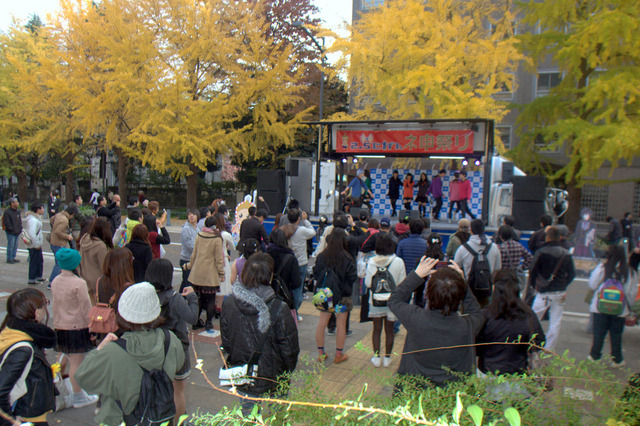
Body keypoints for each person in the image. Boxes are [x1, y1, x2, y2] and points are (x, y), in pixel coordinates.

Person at [75, 282, 184, 426]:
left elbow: (83, 377)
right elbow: (179, 364)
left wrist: (100, 349)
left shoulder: (113, 351)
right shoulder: (171, 340)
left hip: (119, 419)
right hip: (160, 418)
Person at [220, 253, 299, 415]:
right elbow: (290, 350)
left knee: (248, 415)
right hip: (274, 377)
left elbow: (227, 342)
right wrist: (286, 373)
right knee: (277, 417)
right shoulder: (279, 308)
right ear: (270, 277)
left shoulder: (229, 303)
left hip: (244, 374)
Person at [389, 257, 484, 387]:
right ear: (460, 296)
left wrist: (417, 275)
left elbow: (394, 300)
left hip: (414, 391)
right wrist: (463, 283)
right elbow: (477, 311)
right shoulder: (467, 325)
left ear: (428, 294)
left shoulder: (415, 318)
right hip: (452, 397)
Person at [145, 259, 198, 423]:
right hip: (176, 348)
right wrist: (192, 297)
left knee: (157, 387)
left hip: (154, 348)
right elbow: (192, 317)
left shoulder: (146, 296)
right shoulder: (175, 298)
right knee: (178, 390)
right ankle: (178, 422)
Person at [50, 248, 99, 408]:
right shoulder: (79, 283)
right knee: (76, 362)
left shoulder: (56, 281)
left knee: (62, 359)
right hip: (76, 327)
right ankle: (78, 396)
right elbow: (86, 308)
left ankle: (59, 390)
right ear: (76, 264)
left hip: (60, 326)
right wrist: (92, 325)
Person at [0, 288, 57, 425]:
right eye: (45, 304)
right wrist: (11, 421)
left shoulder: (11, 331)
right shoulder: (23, 349)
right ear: (37, 312)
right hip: (28, 416)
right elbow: (1, 390)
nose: (46, 308)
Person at [476, 270, 545, 375]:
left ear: (495, 288)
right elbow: (539, 340)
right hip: (518, 373)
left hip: (488, 372)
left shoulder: (485, 315)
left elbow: (476, 345)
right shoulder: (529, 315)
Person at [587, 245, 639, 367]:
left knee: (599, 333)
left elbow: (592, 285)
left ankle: (595, 356)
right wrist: (628, 307)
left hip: (600, 308)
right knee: (616, 335)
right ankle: (617, 359)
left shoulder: (603, 268)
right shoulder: (630, 271)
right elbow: (631, 293)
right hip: (620, 309)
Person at [528, 226, 576, 350]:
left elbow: (532, 270)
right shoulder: (566, 253)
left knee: (532, 318)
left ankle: (530, 343)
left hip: (543, 291)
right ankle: (549, 349)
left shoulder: (541, 251)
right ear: (560, 237)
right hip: (560, 291)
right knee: (555, 321)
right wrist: (564, 284)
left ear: (547, 237)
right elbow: (572, 274)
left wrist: (534, 285)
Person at [313, 229, 357, 364]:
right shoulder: (348, 258)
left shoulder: (322, 256)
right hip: (343, 296)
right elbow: (352, 277)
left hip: (325, 296)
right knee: (341, 324)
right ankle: (339, 354)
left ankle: (321, 354)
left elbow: (315, 274)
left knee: (322, 323)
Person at [364, 233, 406, 368]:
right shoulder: (398, 261)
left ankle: (376, 357)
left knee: (376, 329)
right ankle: (387, 358)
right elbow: (402, 283)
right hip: (392, 301)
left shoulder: (371, 261)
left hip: (375, 300)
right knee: (389, 330)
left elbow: (367, 283)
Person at [183, 216, 225, 331]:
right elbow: (218, 259)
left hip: (198, 272)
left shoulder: (199, 235)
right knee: (211, 298)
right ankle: (208, 322)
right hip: (210, 273)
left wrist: (189, 266)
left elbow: (194, 254)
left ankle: (195, 321)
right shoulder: (217, 238)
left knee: (199, 298)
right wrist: (221, 273)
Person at [453, 219, 502, 307]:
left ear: (471, 230)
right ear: (484, 229)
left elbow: (456, 268)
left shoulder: (463, 248)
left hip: (469, 291)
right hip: (487, 289)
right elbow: (497, 269)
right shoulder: (494, 247)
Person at [280, 209, 316, 321]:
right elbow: (313, 232)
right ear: (299, 219)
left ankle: (286, 310)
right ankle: (294, 311)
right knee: (298, 288)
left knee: (286, 286)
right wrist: (306, 221)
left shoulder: (283, 229)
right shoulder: (302, 230)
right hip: (300, 263)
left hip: (286, 262)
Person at [78, 217, 113, 304]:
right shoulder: (101, 246)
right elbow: (104, 267)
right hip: (97, 282)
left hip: (85, 277)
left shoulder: (85, 239)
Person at [266, 229, 301, 313]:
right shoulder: (291, 258)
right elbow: (296, 283)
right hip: (284, 297)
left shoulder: (265, 255)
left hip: (267, 296)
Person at [396, 219, 428, 306]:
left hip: (406, 276)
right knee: (419, 302)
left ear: (409, 229)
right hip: (421, 277)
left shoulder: (402, 243)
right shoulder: (426, 244)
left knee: (404, 302)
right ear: (422, 229)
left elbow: (398, 260)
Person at [49, 204, 79, 284]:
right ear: (72, 214)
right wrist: (67, 236)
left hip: (53, 241)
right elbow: (58, 231)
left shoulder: (58, 215)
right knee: (59, 264)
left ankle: (54, 280)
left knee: (58, 262)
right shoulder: (64, 220)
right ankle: (52, 281)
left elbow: (51, 220)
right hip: (59, 243)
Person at [25, 203, 47, 286]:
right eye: (42, 208)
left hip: (36, 243)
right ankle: (32, 278)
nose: (43, 210)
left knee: (39, 260)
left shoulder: (36, 218)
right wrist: (36, 244)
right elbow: (32, 233)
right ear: (38, 210)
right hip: (33, 245)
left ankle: (38, 276)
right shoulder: (33, 220)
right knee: (34, 261)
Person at [180, 209, 199, 292]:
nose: (191, 216)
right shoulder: (185, 229)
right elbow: (189, 246)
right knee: (187, 282)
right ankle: (181, 300)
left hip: (195, 259)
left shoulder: (198, 229)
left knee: (189, 283)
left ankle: (181, 299)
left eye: (193, 214)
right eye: (189, 214)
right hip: (186, 259)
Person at [2, 197, 22, 264]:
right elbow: (6, 222)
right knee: (11, 245)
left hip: (17, 231)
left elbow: (19, 221)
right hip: (11, 232)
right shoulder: (7, 212)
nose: (18, 203)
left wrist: (20, 228)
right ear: (12, 203)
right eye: (16, 202)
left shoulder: (17, 211)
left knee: (15, 245)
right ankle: (9, 258)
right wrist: (11, 229)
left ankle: (13, 257)